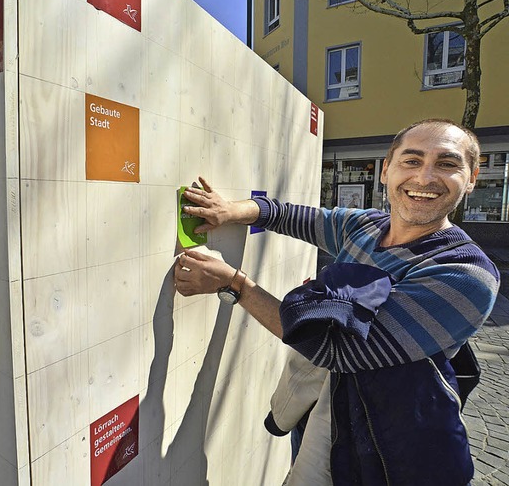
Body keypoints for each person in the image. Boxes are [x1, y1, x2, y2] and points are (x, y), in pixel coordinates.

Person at [174, 119, 500, 485]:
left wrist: (235, 284)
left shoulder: (465, 273)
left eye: (447, 163)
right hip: (315, 409)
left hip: (380, 444)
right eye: (411, 160)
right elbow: (291, 216)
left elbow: (342, 352)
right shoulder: (369, 226)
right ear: (386, 169)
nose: (425, 178)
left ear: (471, 177)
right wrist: (232, 210)